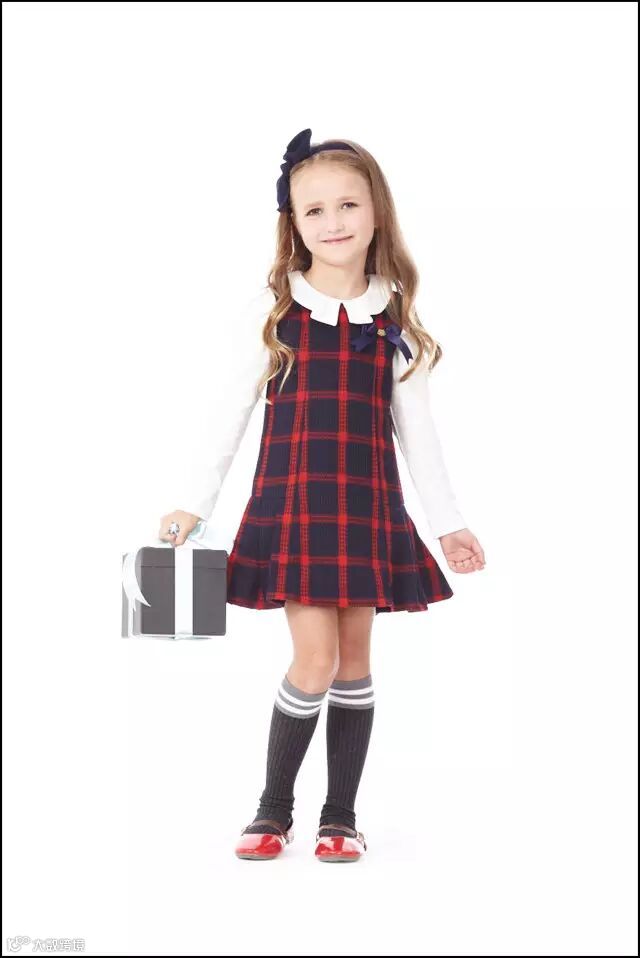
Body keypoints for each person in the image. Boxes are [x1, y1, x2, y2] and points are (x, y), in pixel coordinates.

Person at [158, 128, 486, 863]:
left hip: (367, 511)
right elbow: (228, 411)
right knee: (316, 659)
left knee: (355, 660)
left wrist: (450, 525)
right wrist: (192, 502)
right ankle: (272, 810)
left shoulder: (395, 320)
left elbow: (419, 434)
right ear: (294, 223)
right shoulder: (275, 312)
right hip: (297, 510)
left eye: (348, 204)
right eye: (314, 210)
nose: (333, 221)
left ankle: (340, 817)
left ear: (376, 212)